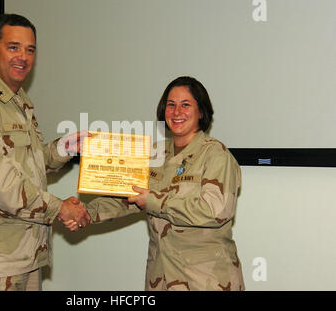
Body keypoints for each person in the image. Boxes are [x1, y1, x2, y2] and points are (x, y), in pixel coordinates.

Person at [0, 14, 90, 291]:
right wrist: (60, 208)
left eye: (30, 49)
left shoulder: (18, 103)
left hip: (26, 255)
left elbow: (27, 166)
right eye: (13, 47)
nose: (23, 56)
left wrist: (63, 149)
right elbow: (0, 184)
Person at [72, 76, 244, 290]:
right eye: (171, 105)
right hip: (160, 278)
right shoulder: (153, 153)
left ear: (201, 112)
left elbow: (215, 211)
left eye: (186, 105)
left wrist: (153, 201)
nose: (177, 112)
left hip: (205, 281)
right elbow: (127, 198)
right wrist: (86, 213)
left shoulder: (216, 155)